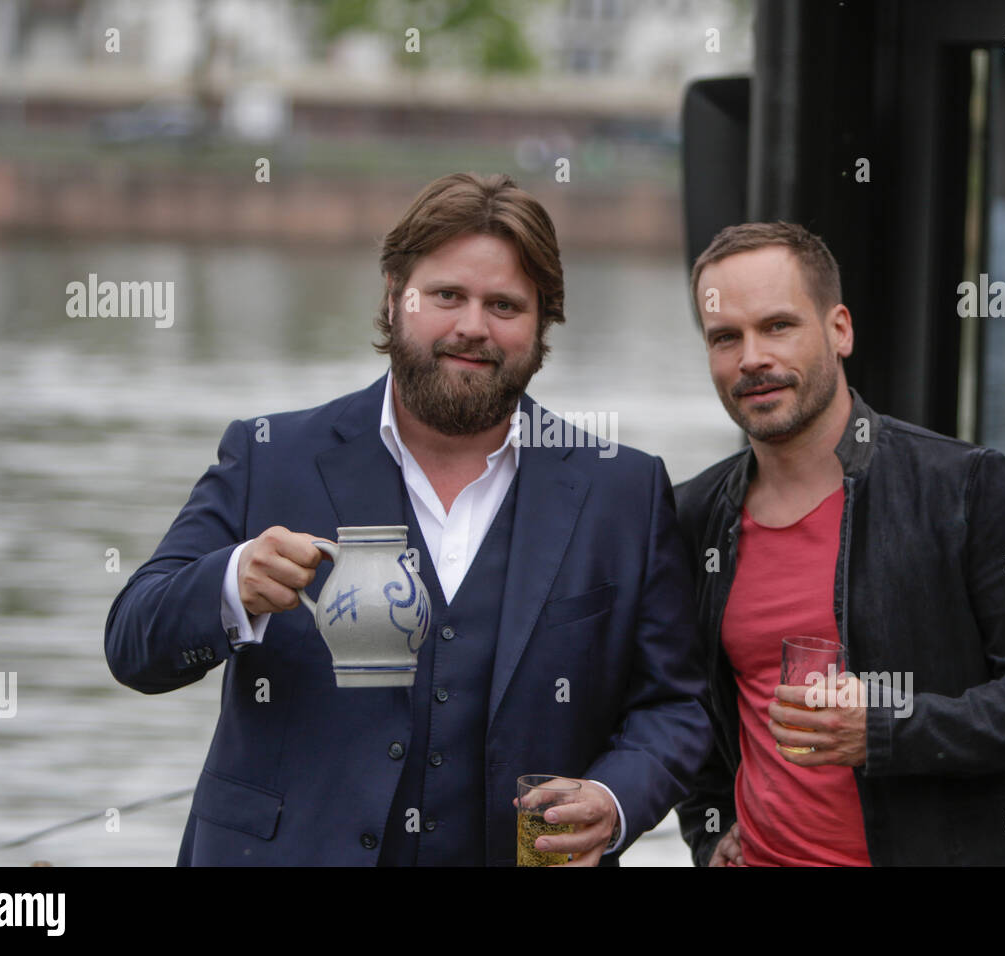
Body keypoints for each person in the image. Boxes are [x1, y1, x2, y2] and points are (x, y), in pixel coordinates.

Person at [105, 172, 710, 866]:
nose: (472, 326)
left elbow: (676, 706)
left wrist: (613, 797)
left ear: (543, 323)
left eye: (505, 305)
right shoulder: (270, 455)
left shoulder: (622, 490)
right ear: (394, 297)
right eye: (447, 295)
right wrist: (231, 582)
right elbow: (133, 644)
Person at [673, 221, 1005, 866]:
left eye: (779, 325)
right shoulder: (694, 515)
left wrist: (885, 731)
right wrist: (710, 833)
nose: (752, 357)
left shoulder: (963, 485)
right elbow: (687, 708)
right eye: (726, 338)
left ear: (839, 329)